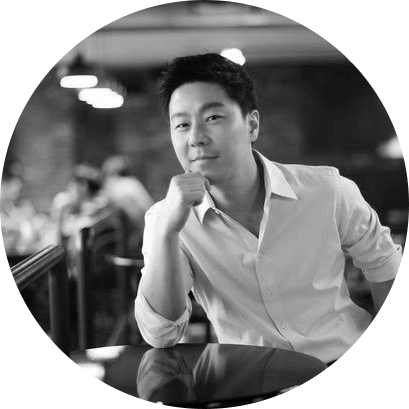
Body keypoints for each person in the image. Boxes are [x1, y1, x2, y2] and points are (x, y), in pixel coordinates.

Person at [134, 53, 402, 364]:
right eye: (182, 124)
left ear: (252, 125)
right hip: (249, 381)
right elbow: (161, 334)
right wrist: (167, 233)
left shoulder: (328, 191)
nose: (196, 138)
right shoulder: (165, 220)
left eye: (213, 118)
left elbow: (385, 266)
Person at [100, 154, 154, 253]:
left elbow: (147, 206)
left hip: (134, 234)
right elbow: (148, 205)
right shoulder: (131, 183)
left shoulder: (123, 185)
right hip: (139, 232)